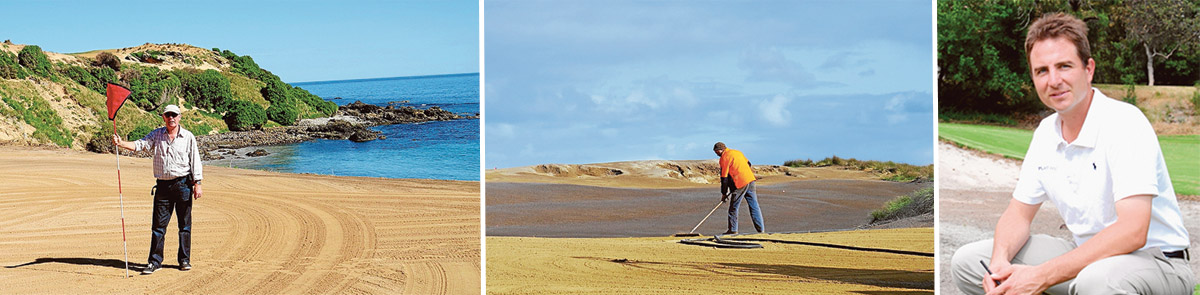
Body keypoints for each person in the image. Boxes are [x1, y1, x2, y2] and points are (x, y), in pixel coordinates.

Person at [950, 13, 1193, 295]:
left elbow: (1133, 230)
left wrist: (1041, 276)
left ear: (1088, 69)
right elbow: (1017, 215)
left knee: (1096, 282)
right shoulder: (1044, 134)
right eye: (1042, 71)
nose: (1054, 80)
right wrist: (999, 262)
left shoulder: (1124, 122)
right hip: (1087, 256)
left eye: (1064, 66)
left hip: (1158, 262)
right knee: (969, 262)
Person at [112, 104, 204, 275]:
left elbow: (195, 160)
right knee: (158, 227)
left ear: (179, 117)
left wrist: (197, 183)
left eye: (174, 115)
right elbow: (141, 145)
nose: (171, 118)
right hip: (162, 186)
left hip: (183, 185)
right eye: (168, 115)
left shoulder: (188, 137)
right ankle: (155, 262)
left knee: (184, 226)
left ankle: (184, 260)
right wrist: (121, 143)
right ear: (163, 117)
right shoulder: (157, 134)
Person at [713, 142, 764, 235]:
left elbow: (724, 178)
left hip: (740, 182)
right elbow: (748, 163)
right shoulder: (737, 152)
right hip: (750, 179)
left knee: (733, 207)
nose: (716, 154)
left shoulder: (724, 158)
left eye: (716, 152)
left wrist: (724, 193)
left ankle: (732, 230)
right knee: (754, 205)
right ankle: (761, 230)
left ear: (720, 150)